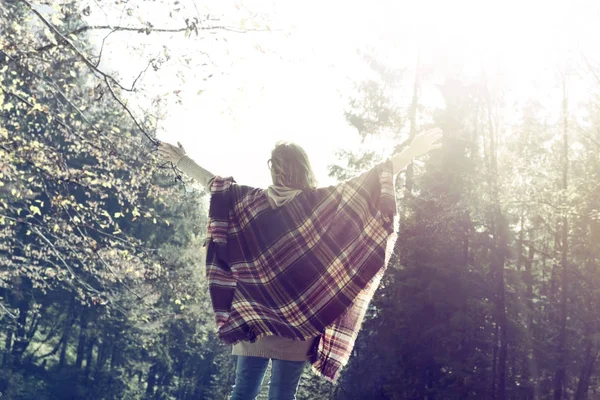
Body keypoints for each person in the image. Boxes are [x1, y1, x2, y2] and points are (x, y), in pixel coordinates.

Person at [157, 128, 442, 400]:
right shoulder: (317, 203)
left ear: (276, 169)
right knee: (280, 396)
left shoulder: (251, 202)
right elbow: (369, 183)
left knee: (243, 393)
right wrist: (411, 152)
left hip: (254, 315)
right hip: (300, 317)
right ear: (304, 168)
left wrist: (183, 161)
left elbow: (214, 185)